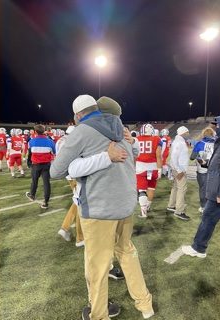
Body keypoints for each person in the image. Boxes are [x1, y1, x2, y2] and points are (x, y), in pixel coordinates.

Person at [50, 95, 154, 320]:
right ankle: (145, 305)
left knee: (97, 267)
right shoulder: (121, 129)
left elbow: (56, 171)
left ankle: (98, 315)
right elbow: (132, 154)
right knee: (127, 252)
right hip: (125, 205)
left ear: (78, 115)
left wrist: (85, 163)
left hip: (99, 208)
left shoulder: (82, 131)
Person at [182, 114, 220, 258]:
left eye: (218, 125)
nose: (216, 127)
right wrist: (208, 164)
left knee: (208, 218)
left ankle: (198, 248)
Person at [26, 124, 56, 209]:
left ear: (35, 132)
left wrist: (29, 163)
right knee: (46, 183)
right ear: (44, 131)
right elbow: (54, 153)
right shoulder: (50, 141)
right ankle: (46, 202)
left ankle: (32, 195)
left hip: (36, 165)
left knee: (34, 181)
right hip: (47, 165)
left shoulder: (31, 141)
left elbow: (29, 153)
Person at [136, 123, 162, 217]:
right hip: (153, 167)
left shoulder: (137, 139)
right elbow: (158, 155)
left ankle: (143, 212)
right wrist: (159, 169)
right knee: (151, 187)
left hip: (140, 167)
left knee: (142, 189)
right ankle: (147, 207)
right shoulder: (156, 139)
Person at [167, 126, 190, 221]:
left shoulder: (178, 141)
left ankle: (171, 205)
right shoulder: (179, 142)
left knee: (176, 187)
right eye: (187, 132)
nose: (188, 134)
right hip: (179, 169)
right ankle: (179, 211)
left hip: (177, 168)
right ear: (183, 133)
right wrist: (179, 170)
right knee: (182, 189)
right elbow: (173, 157)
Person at [190, 127, 215, 214]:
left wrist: (200, 158)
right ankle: (212, 207)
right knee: (213, 189)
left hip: (202, 170)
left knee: (203, 189)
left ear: (204, 134)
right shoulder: (217, 143)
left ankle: (204, 207)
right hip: (214, 170)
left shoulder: (199, 144)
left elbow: (192, 157)